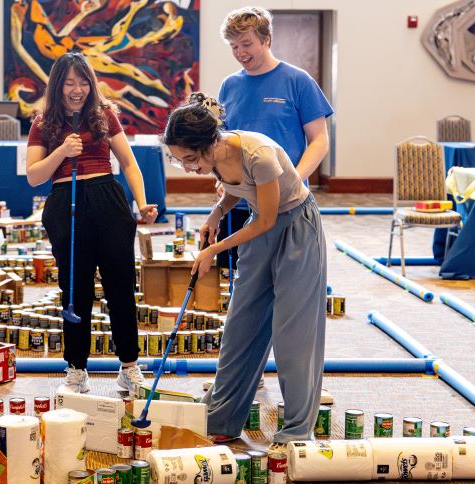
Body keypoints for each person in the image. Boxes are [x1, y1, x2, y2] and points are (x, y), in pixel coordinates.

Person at [162, 93, 326, 445]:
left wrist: (215, 250)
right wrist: (217, 212)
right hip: (260, 227)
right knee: (241, 325)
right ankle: (222, 418)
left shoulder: (258, 153)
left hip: (296, 227)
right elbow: (237, 190)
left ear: (210, 143)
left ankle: (297, 431)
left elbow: (267, 218)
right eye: (180, 162)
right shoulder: (218, 158)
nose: (189, 168)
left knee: (292, 335)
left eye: (191, 159)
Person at [26, 52, 158, 395]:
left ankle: (129, 366)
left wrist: (142, 204)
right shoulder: (43, 122)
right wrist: (61, 153)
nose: (77, 89)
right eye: (69, 82)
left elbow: (128, 162)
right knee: (75, 291)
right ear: (58, 85)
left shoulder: (104, 115)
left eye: (83, 82)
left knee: (120, 288)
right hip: (64, 204)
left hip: (108, 200)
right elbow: (33, 176)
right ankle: (76, 369)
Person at [215, 6, 333, 266]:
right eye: (234, 47)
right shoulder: (229, 86)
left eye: (246, 44)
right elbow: (222, 143)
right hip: (241, 200)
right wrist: (222, 178)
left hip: (286, 200)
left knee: (285, 274)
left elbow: (320, 140)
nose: (240, 53)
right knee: (237, 277)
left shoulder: (298, 80)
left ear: (266, 39)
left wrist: (295, 177)